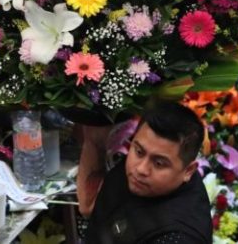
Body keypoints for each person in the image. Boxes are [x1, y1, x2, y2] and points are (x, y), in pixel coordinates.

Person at [77, 102, 212, 243]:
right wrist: (93, 140)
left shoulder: (177, 237)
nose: (141, 169)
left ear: (188, 171)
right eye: (139, 152)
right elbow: (88, 207)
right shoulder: (140, 164)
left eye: (159, 163)